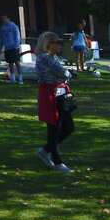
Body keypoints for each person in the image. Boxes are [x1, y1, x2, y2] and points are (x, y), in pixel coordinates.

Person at [34, 31, 76, 173]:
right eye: (57, 42)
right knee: (54, 127)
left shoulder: (52, 57)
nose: (60, 45)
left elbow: (62, 72)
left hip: (60, 94)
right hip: (50, 95)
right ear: (48, 44)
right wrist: (69, 74)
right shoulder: (45, 58)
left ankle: (45, 150)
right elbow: (61, 72)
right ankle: (57, 162)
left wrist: (67, 74)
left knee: (68, 127)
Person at [0, 14, 23, 84]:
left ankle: (20, 78)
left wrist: (16, 46)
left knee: (17, 62)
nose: (3, 20)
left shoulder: (14, 26)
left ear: (8, 18)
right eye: (2, 19)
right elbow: (2, 39)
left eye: (4, 18)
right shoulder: (3, 28)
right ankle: (13, 79)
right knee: (10, 63)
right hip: (7, 48)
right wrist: (1, 48)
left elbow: (17, 37)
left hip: (14, 47)